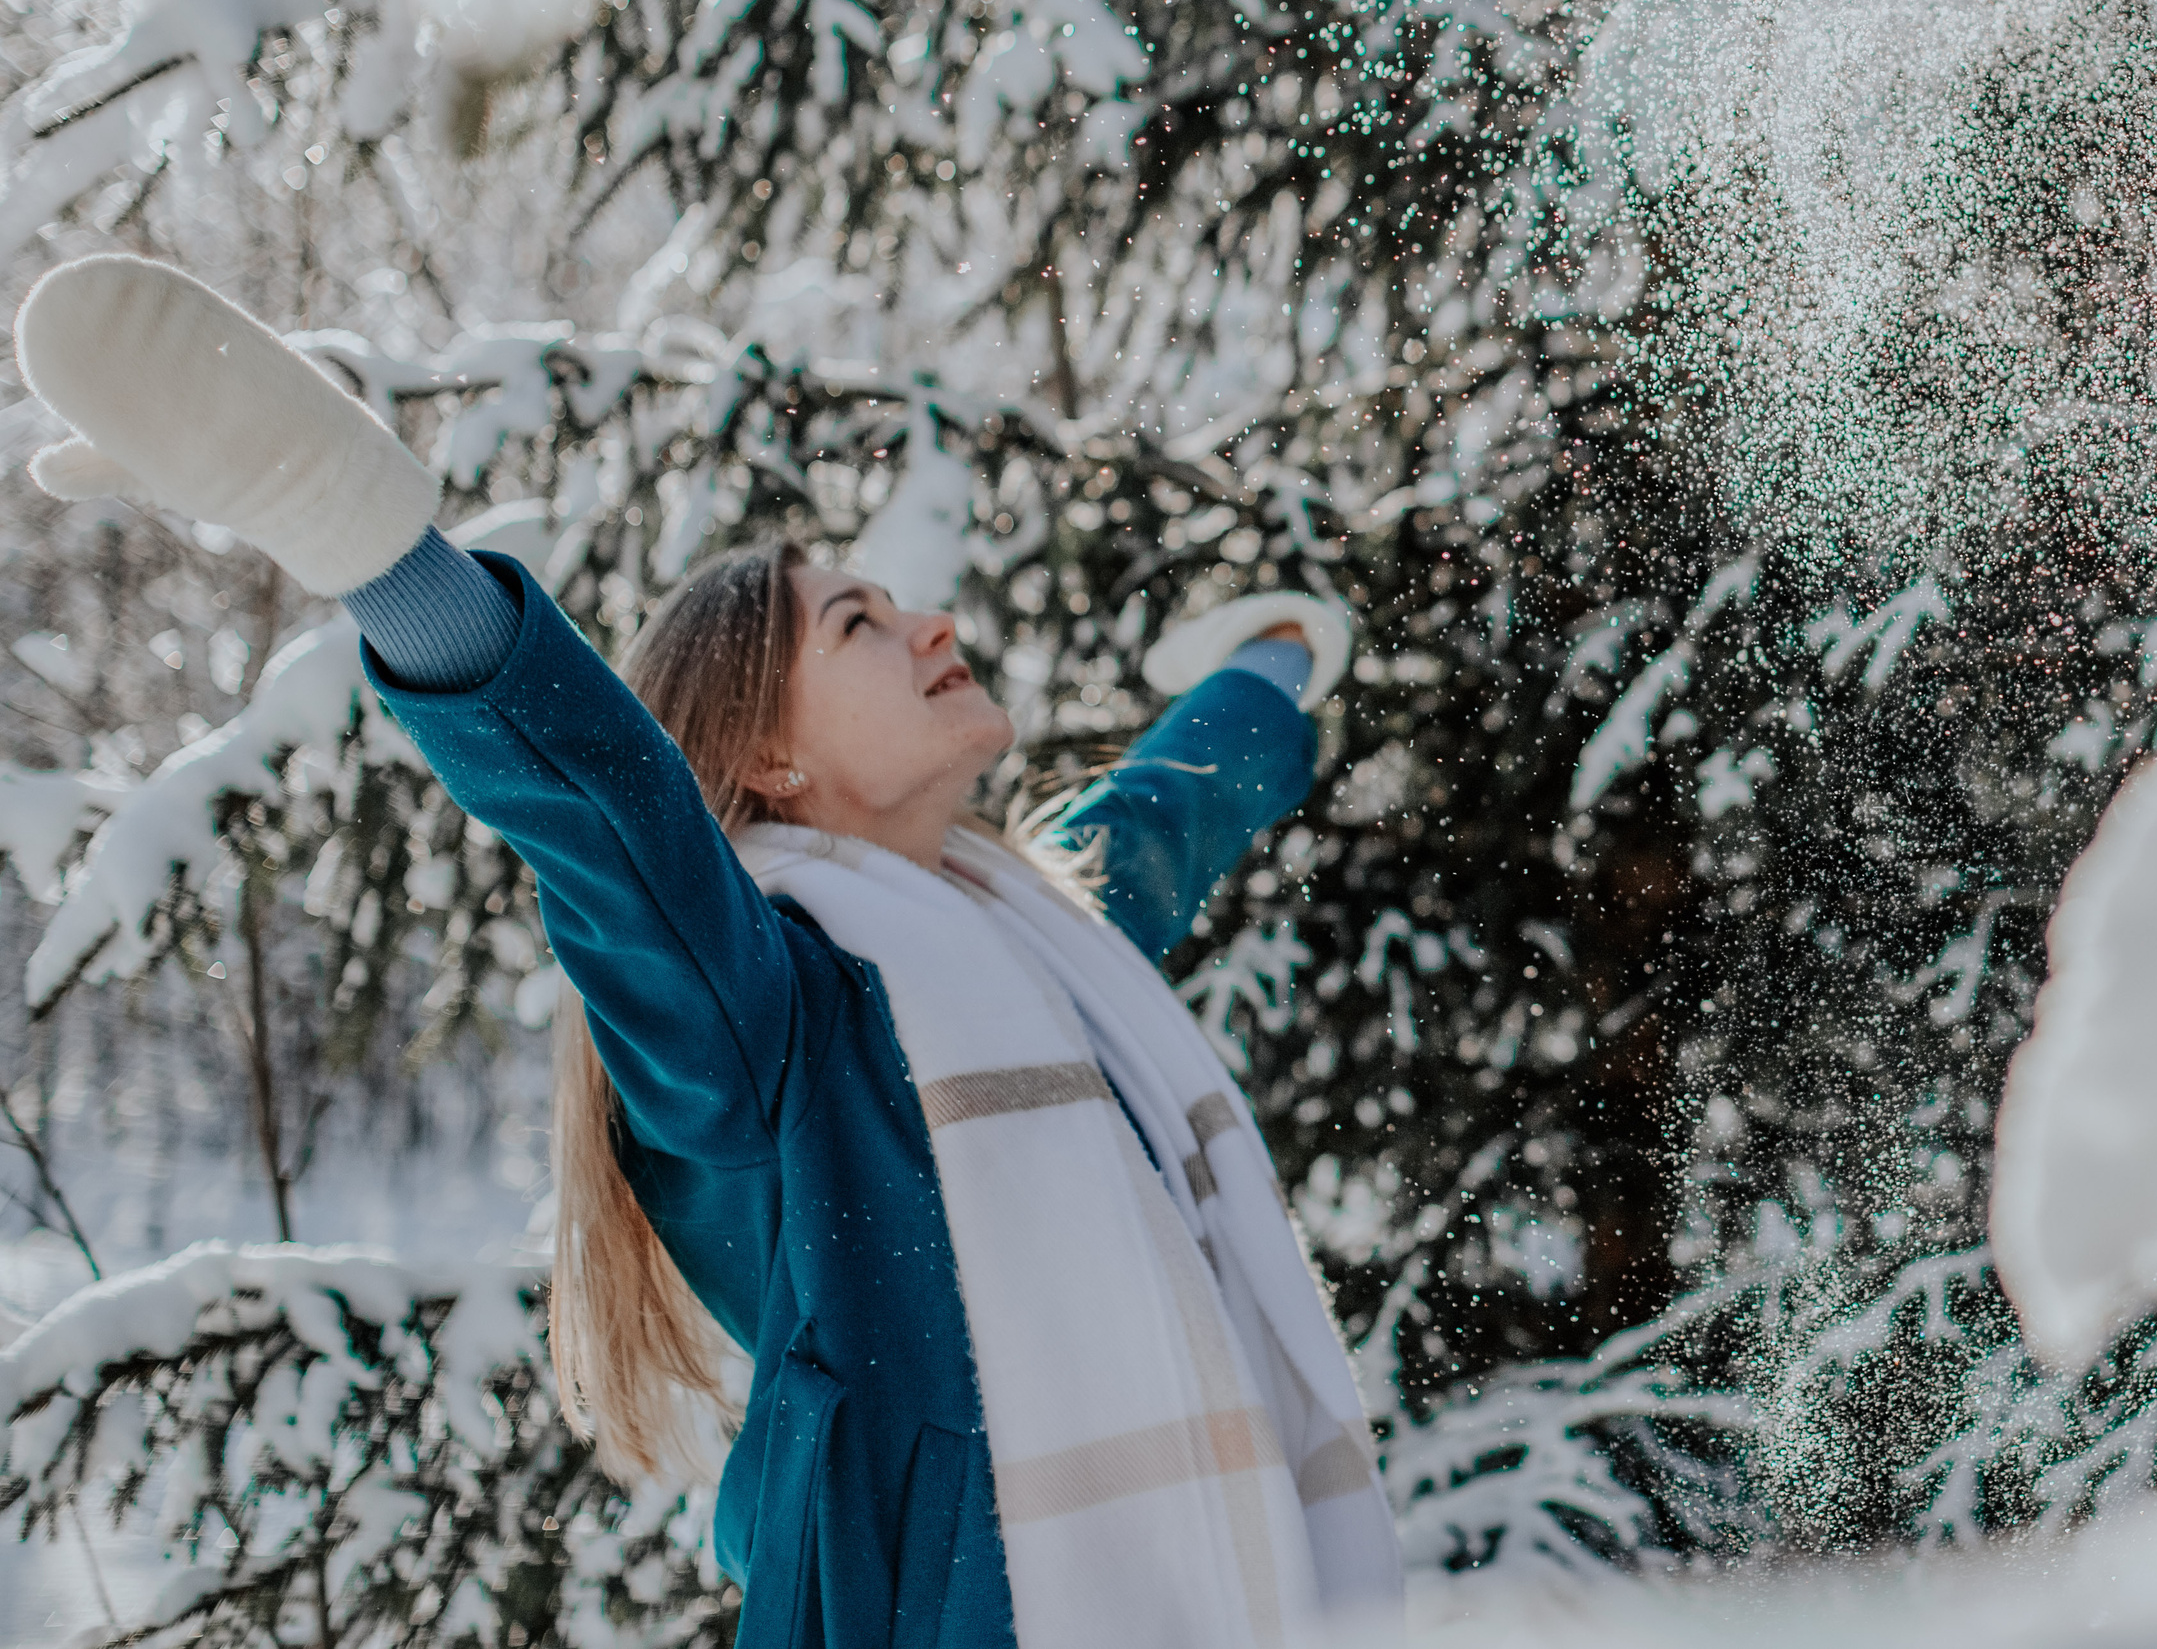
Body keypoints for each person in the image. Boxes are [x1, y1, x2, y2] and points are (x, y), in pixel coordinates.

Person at [11, 256, 1401, 1649]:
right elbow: (615, 827)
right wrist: (367, 539)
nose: (937, 624)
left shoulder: (1036, 934)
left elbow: (1179, 797)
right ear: (765, 754)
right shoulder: (759, 1022)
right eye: (858, 621)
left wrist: (1279, 651)